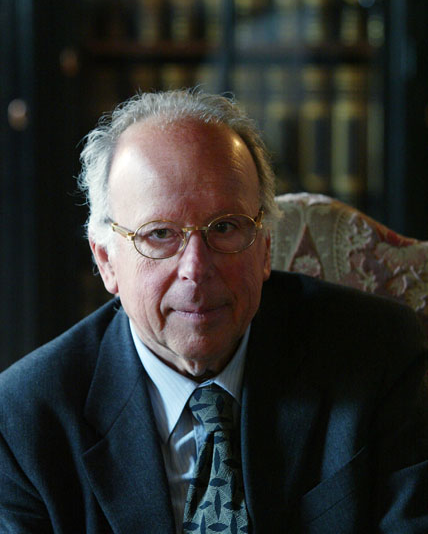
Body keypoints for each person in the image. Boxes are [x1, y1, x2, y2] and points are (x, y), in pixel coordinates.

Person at [0, 89, 427, 534]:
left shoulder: (377, 354)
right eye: (160, 234)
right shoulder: (25, 423)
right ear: (107, 261)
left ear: (265, 247)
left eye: (224, 227)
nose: (196, 268)